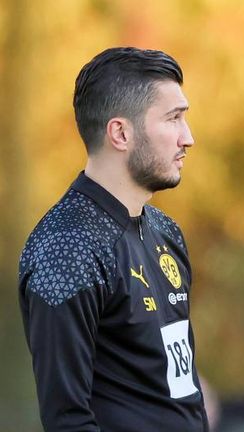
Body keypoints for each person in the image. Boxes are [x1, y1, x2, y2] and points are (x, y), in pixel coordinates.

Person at [18, 47, 207, 431]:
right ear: (120, 133)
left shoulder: (166, 232)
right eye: (173, 119)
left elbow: (175, 389)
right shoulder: (67, 247)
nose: (188, 138)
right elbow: (67, 420)